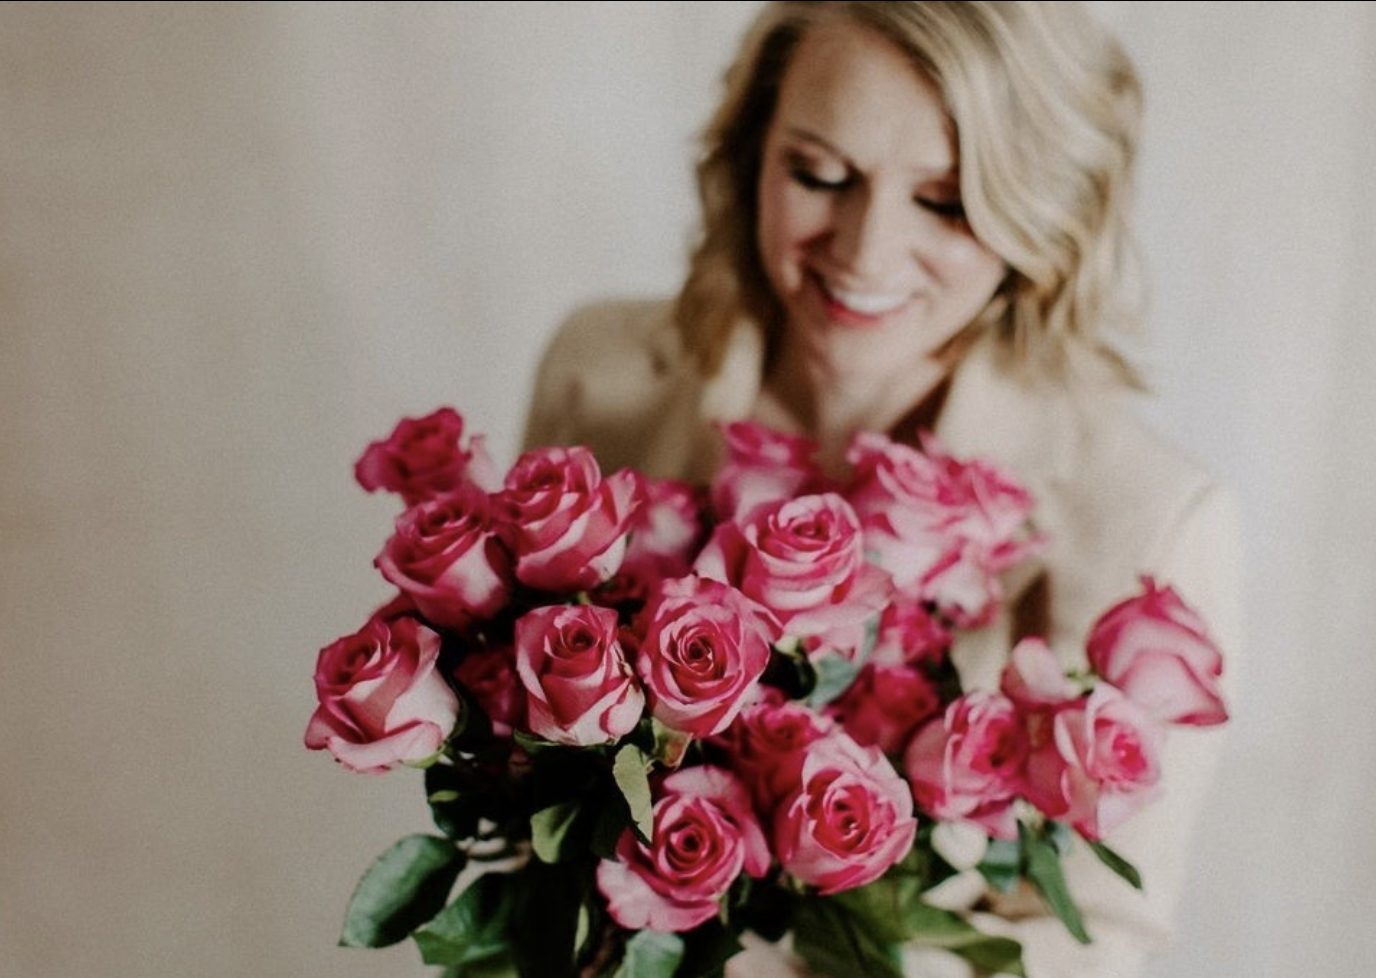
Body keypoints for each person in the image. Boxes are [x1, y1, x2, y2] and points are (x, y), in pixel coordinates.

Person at [523, 2, 1242, 976]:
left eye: (944, 202)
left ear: (1041, 210)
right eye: (818, 174)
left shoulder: (1151, 521)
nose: (861, 254)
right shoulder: (595, 373)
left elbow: (1091, 944)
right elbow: (523, 799)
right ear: (750, 150)